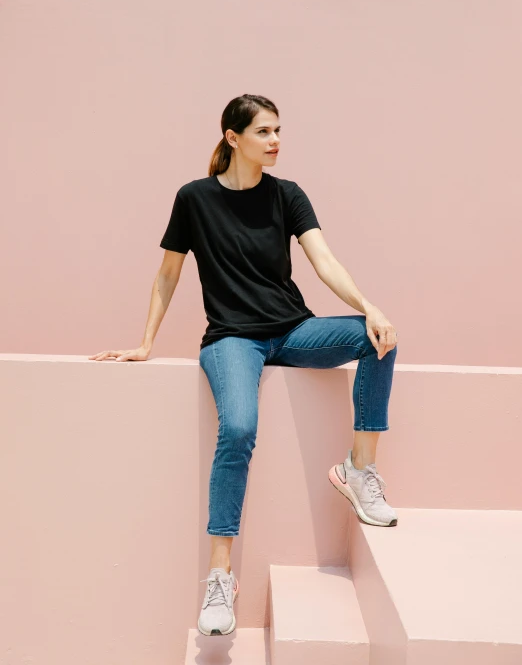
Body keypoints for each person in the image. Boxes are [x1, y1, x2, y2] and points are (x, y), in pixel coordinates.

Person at [88, 93, 399, 637]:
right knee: (238, 427)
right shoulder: (194, 199)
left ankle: (359, 468)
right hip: (232, 339)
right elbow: (168, 274)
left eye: (278, 130)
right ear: (233, 138)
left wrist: (368, 307)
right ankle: (219, 574)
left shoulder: (288, 195)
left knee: (379, 341)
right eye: (263, 132)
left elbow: (323, 260)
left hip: (294, 330)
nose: (276, 141)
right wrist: (145, 344)